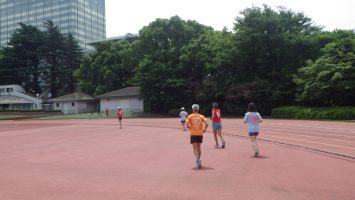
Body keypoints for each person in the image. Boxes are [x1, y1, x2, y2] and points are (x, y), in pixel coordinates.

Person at [186, 104, 208, 169]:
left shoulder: (190, 116)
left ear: (192, 109)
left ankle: (198, 160)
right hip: (200, 134)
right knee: (199, 148)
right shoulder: (201, 116)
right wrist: (204, 129)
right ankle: (198, 160)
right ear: (198, 109)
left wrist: (191, 128)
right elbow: (207, 123)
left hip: (193, 134)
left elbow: (187, 125)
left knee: (195, 148)